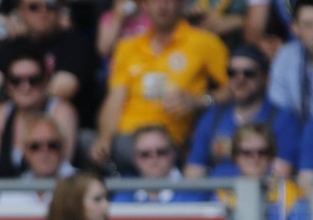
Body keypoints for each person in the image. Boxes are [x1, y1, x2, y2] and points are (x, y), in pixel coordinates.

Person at [89, 0, 229, 174]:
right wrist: (104, 138)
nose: (162, 6)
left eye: (169, 1)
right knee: (82, 143)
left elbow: (235, 87)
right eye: (155, 1)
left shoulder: (204, 42)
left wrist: (199, 100)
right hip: (124, 138)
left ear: (182, 4)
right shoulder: (127, 47)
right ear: (144, 6)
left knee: (138, 148)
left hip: (168, 140)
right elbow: (114, 99)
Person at [0, 0, 96, 129]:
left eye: (50, 6)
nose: (43, 12)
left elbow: (62, 90)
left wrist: (19, 101)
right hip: (14, 127)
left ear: (60, 8)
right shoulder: (11, 46)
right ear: (21, 11)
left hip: (60, 129)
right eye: (33, 7)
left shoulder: (76, 43)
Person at [185, 43, 301, 179]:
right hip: (217, 197)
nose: (240, 79)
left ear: (266, 79)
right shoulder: (211, 118)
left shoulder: (283, 119)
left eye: (249, 73)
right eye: (232, 73)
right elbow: (193, 173)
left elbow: (281, 173)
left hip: (263, 197)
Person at [0, 50, 78, 180]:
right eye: (16, 80)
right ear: (7, 85)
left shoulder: (61, 111)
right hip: (4, 198)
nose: (25, 87)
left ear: (46, 80)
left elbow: (62, 167)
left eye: (33, 80)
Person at [0, 114, 75, 204]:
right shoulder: (10, 194)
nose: (45, 151)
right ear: (25, 152)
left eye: (52, 145)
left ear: (62, 147)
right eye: (35, 146)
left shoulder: (81, 189)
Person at [114, 124, 206, 202]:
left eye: (161, 152)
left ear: (174, 153)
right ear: (134, 158)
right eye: (145, 154)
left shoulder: (195, 192)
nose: (154, 158)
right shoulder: (122, 194)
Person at [267, 0, 313, 123]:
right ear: (295, 28)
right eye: (308, 25)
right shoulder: (286, 56)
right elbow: (281, 110)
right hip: (298, 134)